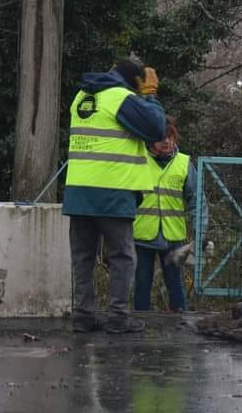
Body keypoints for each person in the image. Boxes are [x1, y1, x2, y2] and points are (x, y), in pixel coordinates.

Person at [62, 60, 166, 334]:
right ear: (134, 82)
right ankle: (118, 317)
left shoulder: (82, 97)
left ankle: (83, 315)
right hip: (112, 192)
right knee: (122, 256)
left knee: (83, 257)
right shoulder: (121, 97)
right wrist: (150, 96)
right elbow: (156, 129)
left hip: (79, 192)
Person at [133, 116, 195, 312]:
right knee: (142, 282)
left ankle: (180, 322)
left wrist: (200, 231)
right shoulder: (138, 161)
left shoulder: (184, 163)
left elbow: (196, 200)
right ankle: (139, 322)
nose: (167, 142)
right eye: (162, 138)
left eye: (170, 137)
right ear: (150, 140)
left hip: (173, 235)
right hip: (142, 234)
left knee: (175, 283)